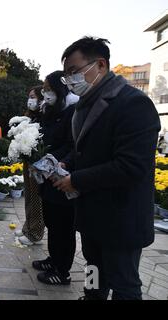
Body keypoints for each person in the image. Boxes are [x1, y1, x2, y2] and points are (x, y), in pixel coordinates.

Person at [54, 37, 161, 300]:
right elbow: (87, 149)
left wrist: (76, 179)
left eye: (74, 72)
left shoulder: (133, 104)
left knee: (124, 284)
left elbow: (131, 166)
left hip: (121, 218)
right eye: (66, 75)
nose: (69, 81)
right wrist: (67, 163)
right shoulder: (84, 105)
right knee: (93, 272)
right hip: (92, 215)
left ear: (100, 65)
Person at [30, 71, 79, 285]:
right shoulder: (49, 110)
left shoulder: (72, 111)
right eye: (44, 89)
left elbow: (73, 144)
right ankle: (54, 259)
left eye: (48, 88)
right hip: (46, 173)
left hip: (60, 173)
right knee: (51, 220)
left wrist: (60, 161)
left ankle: (62, 270)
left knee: (63, 226)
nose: (45, 92)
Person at [16, 86, 45, 246]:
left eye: (33, 96)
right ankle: (28, 227)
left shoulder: (43, 116)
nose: (30, 99)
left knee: (35, 197)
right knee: (29, 195)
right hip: (29, 159)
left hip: (37, 162)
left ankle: (35, 232)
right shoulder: (31, 117)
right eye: (29, 96)